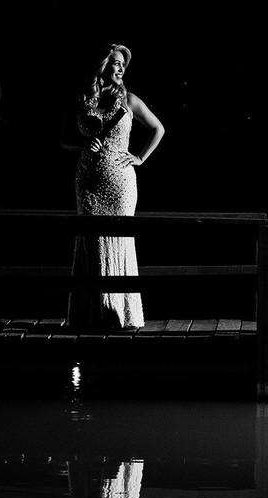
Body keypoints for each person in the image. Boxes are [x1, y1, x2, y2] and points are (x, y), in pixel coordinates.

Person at [61, 43, 165, 330]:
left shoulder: (129, 100)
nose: (121, 68)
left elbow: (158, 128)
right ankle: (89, 313)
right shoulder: (83, 100)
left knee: (118, 238)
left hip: (119, 181)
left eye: (122, 64)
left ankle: (118, 313)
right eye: (116, 63)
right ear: (102, 66)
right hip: (88, 180)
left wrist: (140, 158)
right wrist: (83, 143)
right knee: (91, 240)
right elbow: (64, 139)